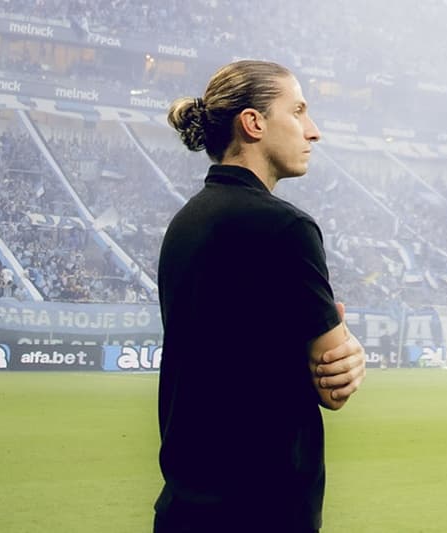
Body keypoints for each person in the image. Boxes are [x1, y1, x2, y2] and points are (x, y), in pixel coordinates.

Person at [154, 60, 366, 533]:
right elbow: (334, 388)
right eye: (298, 112)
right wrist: (348, 345)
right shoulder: (286, 227)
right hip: (265, 508)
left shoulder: (185, 223)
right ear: (253, 123)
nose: (313, 132)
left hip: (185, 509)